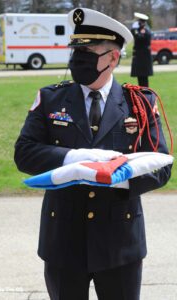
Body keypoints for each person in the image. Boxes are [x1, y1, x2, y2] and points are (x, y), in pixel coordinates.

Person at [14, 7, 172, 300]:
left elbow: (161, 166)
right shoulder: (51, 98)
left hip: (120, 241)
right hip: (63, 239)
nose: (77, 61)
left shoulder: (138, 101)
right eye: (75, 52)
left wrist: (115, 178)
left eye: (87, 54)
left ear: (113, 58)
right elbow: (24, 153)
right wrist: (74, 159)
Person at [131, 12, 153, 87]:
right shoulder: (139, 30)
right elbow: (135, 33)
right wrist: (134, 29)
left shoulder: (146, 31)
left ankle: (145, 93)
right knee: (140, 77)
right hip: (140, 57)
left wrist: (135, 30)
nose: (139, 23)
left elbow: (139, 37)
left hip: (144, 58)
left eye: (140, 22)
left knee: (144, 79)